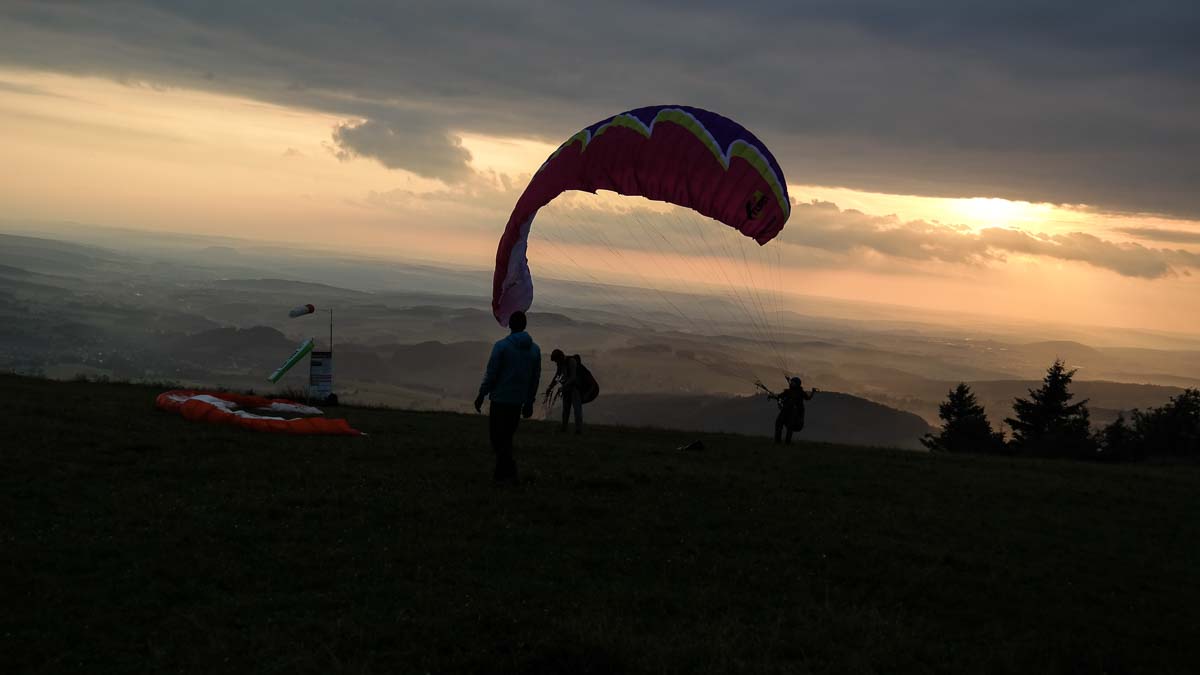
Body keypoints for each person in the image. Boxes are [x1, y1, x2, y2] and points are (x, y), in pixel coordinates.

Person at [474, 311, 541, 483]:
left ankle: (508, 473)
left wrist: (482, 394)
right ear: (524, 326)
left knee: (497, 439)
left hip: (500, 400)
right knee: (506, 438)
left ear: (510, 325)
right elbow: (534, 379)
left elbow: (492, 373)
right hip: (517, 402)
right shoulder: (535, 350)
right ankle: (503, 475)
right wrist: (529, 402)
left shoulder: (501, 346)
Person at [547, 349, 599, 434]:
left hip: (575, 389)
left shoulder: (571, 362)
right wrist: (550, 387)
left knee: (577, 409)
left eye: (556, 360)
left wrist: (563, 387)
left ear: (560, 357)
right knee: (566, 409)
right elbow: (557, 377)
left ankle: (578, 430)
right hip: (567, 389)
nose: (556, 363)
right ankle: (564, 428)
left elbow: (573, 377)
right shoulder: (560, 364)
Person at [762, 376, 817, 445]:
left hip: (794, 413)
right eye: (792, 382)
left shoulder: (801, 392)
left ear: (797, 384)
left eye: (793, 383)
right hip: (785, 410)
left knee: (790, 426)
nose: (791, 383)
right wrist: (772, 396)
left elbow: (808, 398)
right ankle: (777, 441)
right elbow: (779, 396)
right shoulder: (788, 391)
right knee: (779, 423)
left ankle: (787, 442)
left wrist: (813, 392)